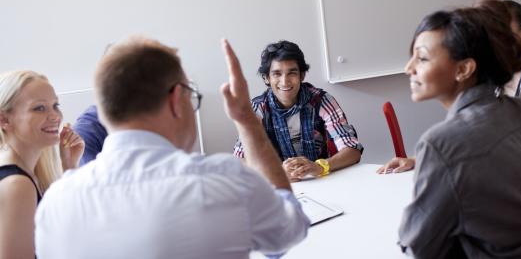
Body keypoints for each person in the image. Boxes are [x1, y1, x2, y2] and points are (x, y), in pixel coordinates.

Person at [35, 37, 309, 259]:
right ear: (177, 99)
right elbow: (288, 230)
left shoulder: (54, 204)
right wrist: (248, 122)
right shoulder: (224, 181)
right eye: (193, 96)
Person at [390, 7, 521, 258]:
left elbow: (419, 246)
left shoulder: (440, 143)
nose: (408, 68)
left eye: (422, 58)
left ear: (464, 69)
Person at [233, 40, 363, 181]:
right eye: (277, 74)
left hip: (324, 179)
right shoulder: (258, 108)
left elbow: (353, 150)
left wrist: (320, 166)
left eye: (292, 73)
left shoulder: (322, 100)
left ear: (302, 75)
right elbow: (240, 160)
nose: (285, 81)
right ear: (267, 78)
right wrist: (275, 171)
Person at [0, 70, 83, 258]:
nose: (55, 116)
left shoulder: (25, 175)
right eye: (39, 108)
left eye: (55, 105)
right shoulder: (17, 184)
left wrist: (69, 165)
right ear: (4, 119)